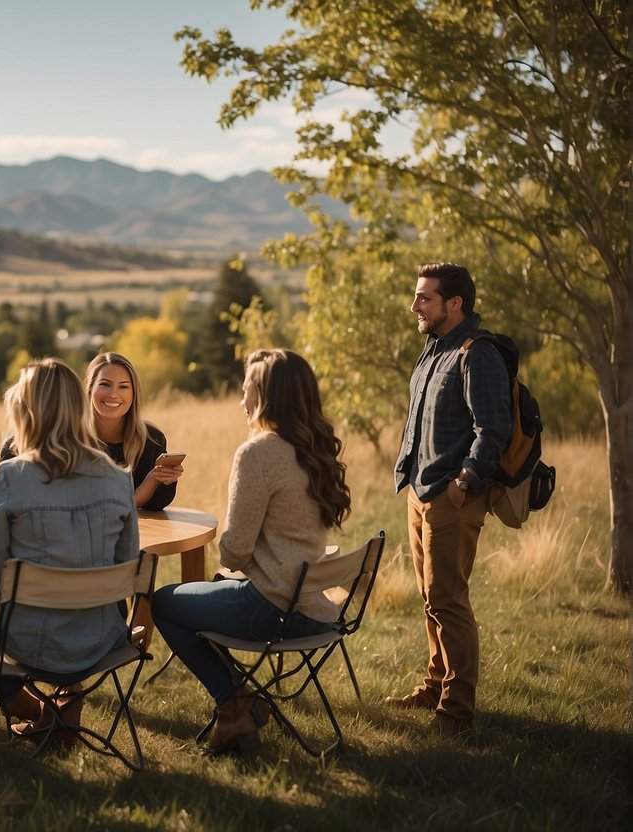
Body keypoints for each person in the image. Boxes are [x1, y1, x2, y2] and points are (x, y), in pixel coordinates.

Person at [0, 358, 140, 744]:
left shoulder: (10, 477)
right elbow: (127, 563)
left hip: (35, 642)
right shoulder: (119, 478)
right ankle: (54, 707)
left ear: (24, 411)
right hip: (104, 637)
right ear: (78, 407)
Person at [150, 348, 351, 756]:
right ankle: (237, 707)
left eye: (246, 392)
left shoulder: (257, 453)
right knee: (204, 597)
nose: (242, 401)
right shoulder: (317, 450)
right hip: (316, 609)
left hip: (271, 608)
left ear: (266, 397)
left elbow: (233, 553)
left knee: (163, 603)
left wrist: (239, 553)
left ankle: (232, 705)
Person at [388, 262, 511, 740]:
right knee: (429, 598)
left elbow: (493, 429)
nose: (415, 305)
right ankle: (435, 685)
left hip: (451, 497)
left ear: (454, 303)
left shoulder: (476, 354)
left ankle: (457, 712)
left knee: (449, 601)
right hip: (419, 493)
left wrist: (464, 483)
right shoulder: (432, 350)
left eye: (424, 297)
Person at [85, 352, 184, 510]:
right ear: (90, 388)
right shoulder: (70, 439)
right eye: (105, 384)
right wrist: (151, 480)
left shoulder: (152, 439)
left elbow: (156, 506)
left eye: (123, 386)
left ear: (134, 394)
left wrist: (165, 479)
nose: (113, 395)